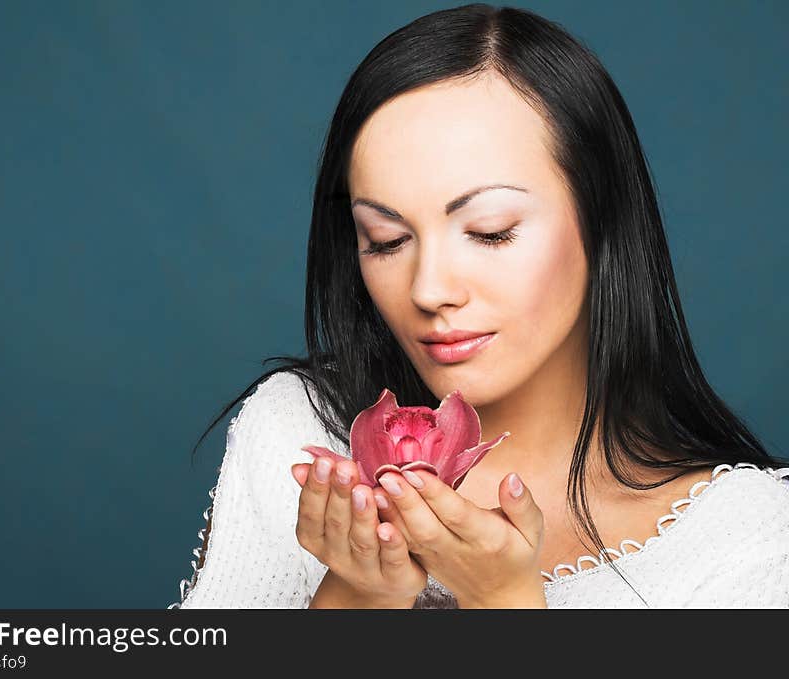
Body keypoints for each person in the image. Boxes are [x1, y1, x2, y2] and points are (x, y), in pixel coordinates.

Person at [169, 4, 789, 609]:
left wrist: (506, 603)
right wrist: (358, 596)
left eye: (490, 231)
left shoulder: (749, 540)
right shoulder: (300, 439)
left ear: (603, 222)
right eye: (386, 241)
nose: (429, 289)